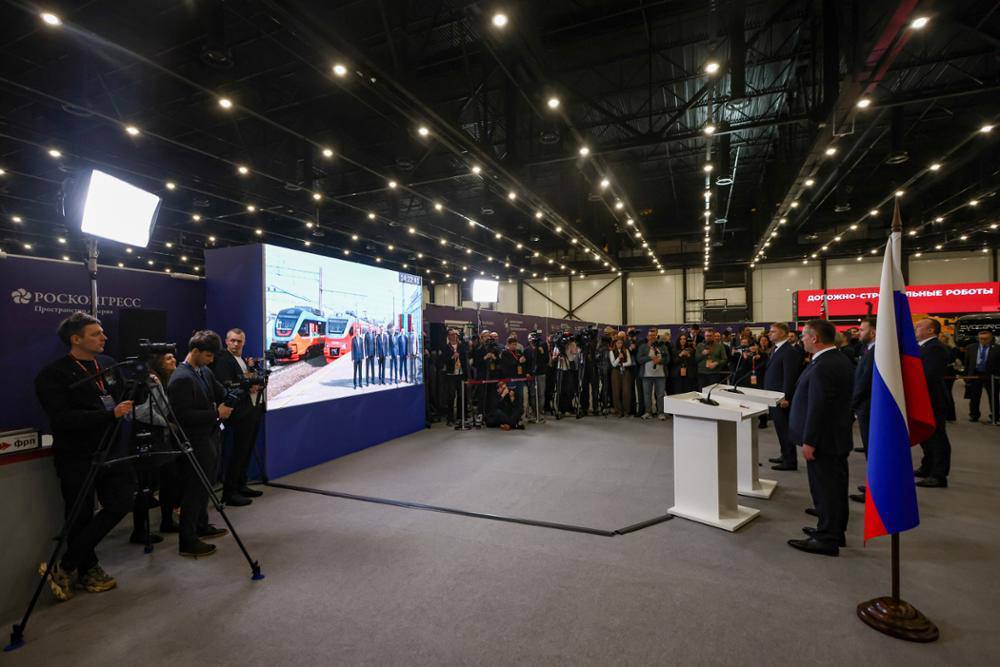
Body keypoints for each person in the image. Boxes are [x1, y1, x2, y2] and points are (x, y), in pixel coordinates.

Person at [34, 312, 136, 600]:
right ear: (75, 339)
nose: (104, 337)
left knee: (122, 502)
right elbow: (62, 418)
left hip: (112, 450)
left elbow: (122, 397)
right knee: (79, 514)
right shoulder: (53, 375)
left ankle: (66, 565)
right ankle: (89, 570)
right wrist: (107, 415)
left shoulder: (109, 364)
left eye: (102, 332)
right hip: (77, 455)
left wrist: (141, 387)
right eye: (96, 333)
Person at [787, 319, 855, 557]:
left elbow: (819, 406)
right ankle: (833, 529)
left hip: (824, 440)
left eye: (804, 336)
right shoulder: (836, 359)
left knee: (826, 489)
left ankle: (827, 539)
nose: (802, 339)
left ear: (814, 338)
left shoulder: (824, 365)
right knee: (834, 488)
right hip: (834, 437)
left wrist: (810, 440)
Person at [167, 330, 232, 558]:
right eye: (208, 355)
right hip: (195, 440)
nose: (211, 360)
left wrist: (237, 390)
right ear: (195, 351)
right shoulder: (181, 378)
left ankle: (201, 525)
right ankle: (187, 540)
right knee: (194, 490)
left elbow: (220, 391)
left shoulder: (203, 371)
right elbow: (181, 417)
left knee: (206, 485)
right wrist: (216, 413)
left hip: (210, 436)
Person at [210, 328, 263, 508]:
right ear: (226, 341)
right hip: (236, 415)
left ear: (244, 342)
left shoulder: (240, 360)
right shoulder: (223, 360)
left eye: (239, 341)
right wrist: (248, 386)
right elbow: (225, 385)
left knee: (245, 452)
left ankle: (241, 485)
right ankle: (230, 493)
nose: (235, 344)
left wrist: (252, 382)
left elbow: (243, 380)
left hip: (248, 411)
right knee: (236, 454)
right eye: (232, 340)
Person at [914, 318, 952, 489]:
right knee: (926, 436)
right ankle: (927, 466)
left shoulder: (935, 348)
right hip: (923, 399)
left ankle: (939, 475)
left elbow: (929, 375)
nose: (915, 329)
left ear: (930, 330)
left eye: (919, 326)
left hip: (933, 399)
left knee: (937, 437)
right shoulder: (923, 347)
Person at [149, 352, 182, 535]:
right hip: (153, 438)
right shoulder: (152, 381)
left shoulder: (168, 379)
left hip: (165, 438)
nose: (173, 360)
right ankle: (142, 530)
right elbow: (144, 411)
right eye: (168, 358)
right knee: (152, 483)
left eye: (173, 357)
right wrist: (167, 424)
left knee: (171, 481)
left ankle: (167, 520)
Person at [764, 322, 804, 472]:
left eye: (773, 331)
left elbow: (790, 377)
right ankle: (784, 454)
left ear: (782, 333)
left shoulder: (789, 351)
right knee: (780, 428)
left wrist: (785, 396)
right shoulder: (776, 349)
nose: (769, 334)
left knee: (785, 429)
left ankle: (790, 460)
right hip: (774, 396)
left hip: (781, 398)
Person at [849, 317, 876, 504]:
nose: (859, 332)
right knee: (870, 449)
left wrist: (852, 405)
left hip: (869, 407)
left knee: (873, 451)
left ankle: (875, 491)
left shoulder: (876, 352)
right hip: (865, 405)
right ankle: (873, 485)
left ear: (873, 332)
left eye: (862, 329)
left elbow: (864, 382)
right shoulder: (869, 349)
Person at [964, 329, 1000, 423]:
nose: (983, 341)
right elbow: (967, 363)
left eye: (986, 339)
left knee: (993, 396)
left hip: (991, 376)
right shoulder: (971, 347)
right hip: (975, 374)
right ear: (978, 338)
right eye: (981, 338)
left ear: (991, 338)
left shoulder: (997, 348)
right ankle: (974, 415)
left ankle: (995, 416)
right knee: (974, 396)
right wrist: (966, 376)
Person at [637, 328, 669, 420]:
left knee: (660, 395)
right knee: (647, 394)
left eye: (654, 335)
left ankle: (661, 413)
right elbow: (639, 359)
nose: (652, 337)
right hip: (646, 375)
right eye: (650, 335)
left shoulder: (662, 346)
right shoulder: (643, 347)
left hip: (660, 375)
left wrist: (660, 361)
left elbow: (667, 359)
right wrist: (650, 358)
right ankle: (648, 412)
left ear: (656, 336)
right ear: (647, 336)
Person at [440, 329, 467, 425]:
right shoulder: (445, 347)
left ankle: (460, 417)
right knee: (451, 397)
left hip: (460, 374)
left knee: (461, 396)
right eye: (452, 335)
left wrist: (466, 376)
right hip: (451, 375)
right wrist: (452, 357)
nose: (454, 336)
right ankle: (450, 418)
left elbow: (465, 360)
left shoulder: (462, 346)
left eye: (455, 335)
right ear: (448, 336)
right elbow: (442, 360)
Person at [609, 337, 635, 417]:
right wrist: (619, 358)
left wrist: (622, 364)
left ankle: (626, 411)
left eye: (621, 343)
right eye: (618, 343)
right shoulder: (611, 352)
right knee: (616, 392)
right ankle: (619, 411)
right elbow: (613, 364)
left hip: (625, 372)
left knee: (626, 392)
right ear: (615, 344)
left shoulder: (626, 350)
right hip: (615, 372)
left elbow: (629, 362)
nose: (619, 344)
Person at [938, 331, 959, 422]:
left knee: (947, 394)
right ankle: (948, 415)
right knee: (945, 394)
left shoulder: (951, 348)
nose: (940, 338)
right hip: (945, 372)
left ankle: (950, 415)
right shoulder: (947, 348)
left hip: (947, 373)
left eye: (942, 336)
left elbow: (950, 359)